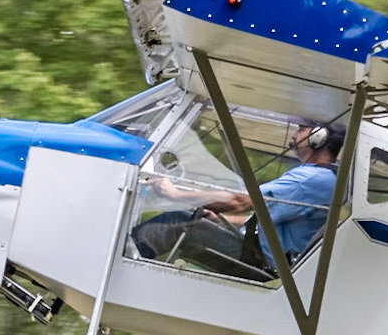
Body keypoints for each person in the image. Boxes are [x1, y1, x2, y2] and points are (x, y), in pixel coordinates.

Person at [133, 119, 343, 279]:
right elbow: (261, 220)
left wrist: (176, 194)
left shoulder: (312, 178)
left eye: (301, 128)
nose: (294, 135)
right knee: (196, 219)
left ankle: (123, 259)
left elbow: (240, 202)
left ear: (319, 136)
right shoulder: (321, 177)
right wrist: (218, 219)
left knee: (180, 222)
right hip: (261, 254)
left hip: (263, 263)